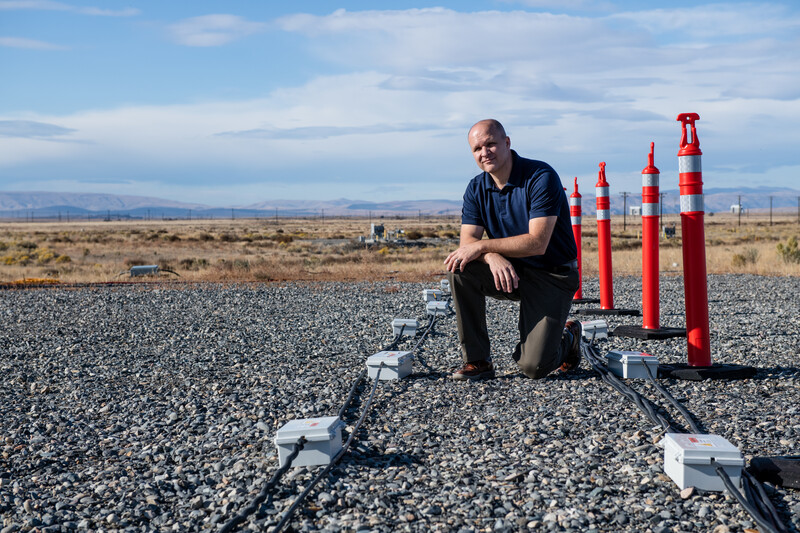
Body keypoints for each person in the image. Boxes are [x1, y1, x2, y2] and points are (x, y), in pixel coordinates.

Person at [444, 119, 581, 380]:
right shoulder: (476, 188)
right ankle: (478, 361)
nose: (484, 153)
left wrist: (483, 246)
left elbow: (537, 242)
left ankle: (568, 336)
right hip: (513, 273)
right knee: (460, 268)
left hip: (553, 276)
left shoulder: (541, 177)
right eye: (477, 149)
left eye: (491, 144)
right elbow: (467, 244)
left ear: (507, 143)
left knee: (534, 367)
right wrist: (492, 256)